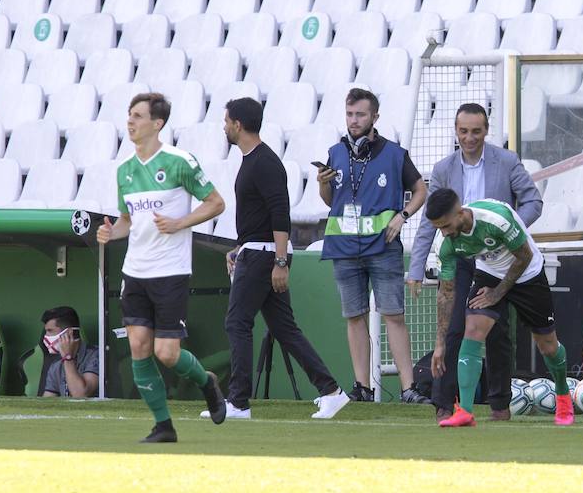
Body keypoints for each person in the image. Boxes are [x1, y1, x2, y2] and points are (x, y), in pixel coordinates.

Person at [96, 93, 226, 441]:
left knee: (166, 353)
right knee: (139, 347)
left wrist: (181, 222)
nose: (130, 121)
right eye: (129, 114)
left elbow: (216, 203)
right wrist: (111, 232)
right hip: (135, 271)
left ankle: (207, 381)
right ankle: (163, 425)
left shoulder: (180, 161)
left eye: (137, 116)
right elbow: (127, 221)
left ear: (157, 123)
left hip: (170, 271)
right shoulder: (124, 171)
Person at [408, 103, 543, 422]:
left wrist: (509, 233)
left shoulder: (507, 161)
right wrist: (416, 267)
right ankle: (444, 402)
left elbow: (533, 201)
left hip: (496, 255)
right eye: (464, 131)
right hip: (459, 255)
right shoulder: (443, 168)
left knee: (497, 331)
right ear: (456, 132)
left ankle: (499, 404)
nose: (470, 138)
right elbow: (430, 221)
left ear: (486, 131)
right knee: (453, 327)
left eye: (476, 131)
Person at [221, 97, 350, 420]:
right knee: (284, 328)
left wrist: (280, 262)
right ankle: (331, 391)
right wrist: (241, 248)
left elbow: (280, 213)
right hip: (258, 252)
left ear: (238, 124)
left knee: (237, 323)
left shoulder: (264, 162)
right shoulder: (254, 160)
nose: (224, 127)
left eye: (226, 121)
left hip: (265, 257)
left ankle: (237, 402)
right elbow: (261, 217)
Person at [317, 89, 428, 403]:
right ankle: (362, 388)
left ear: (374, 117)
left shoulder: (395, 154)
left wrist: (402, 216)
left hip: (383, 247)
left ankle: (408, 389)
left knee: (393, 315)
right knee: (354, 317)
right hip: (344, 249)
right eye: (350, 114)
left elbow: (421, 190)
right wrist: (323, 183)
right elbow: (330, 201)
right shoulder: (335, 153)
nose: (354, 121)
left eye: (360, 115)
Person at [425, 189, 571, 427]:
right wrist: (440, 343)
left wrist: (497, 293)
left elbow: (523, 256)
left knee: (548, 346)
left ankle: (563, 396)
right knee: (472, 330)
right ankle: (465, 412)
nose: (444, 232)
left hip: (527, 273)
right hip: (490, 272)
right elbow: (447, 293)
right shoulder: (445, 243)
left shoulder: (497, 219)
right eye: (438, 228)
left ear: (460, 213)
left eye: (446, 225)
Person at [39, 306, 100, 399]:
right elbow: (47, 401)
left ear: (69, 333)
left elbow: (80, 394)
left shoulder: (97, 355)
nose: (46, 336)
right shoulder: (56, 365)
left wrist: (68, 358)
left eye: (50, 331)